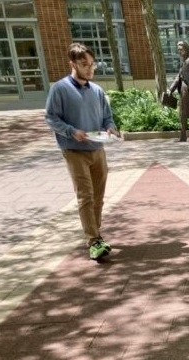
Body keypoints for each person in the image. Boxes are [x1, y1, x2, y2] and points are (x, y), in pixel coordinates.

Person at [45, 42, 119, 261]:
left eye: (91, 64)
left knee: (99, 197)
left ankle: (95, 234)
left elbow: (107, 116)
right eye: (84, 64)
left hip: (98, 148)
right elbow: (51, 117)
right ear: (72, 64)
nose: (89, 69)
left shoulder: (97, 90)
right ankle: (93, 240)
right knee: (85, 196)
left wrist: (110, 127)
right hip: (74, 150)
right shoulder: (59, 88)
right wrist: (70, 131)